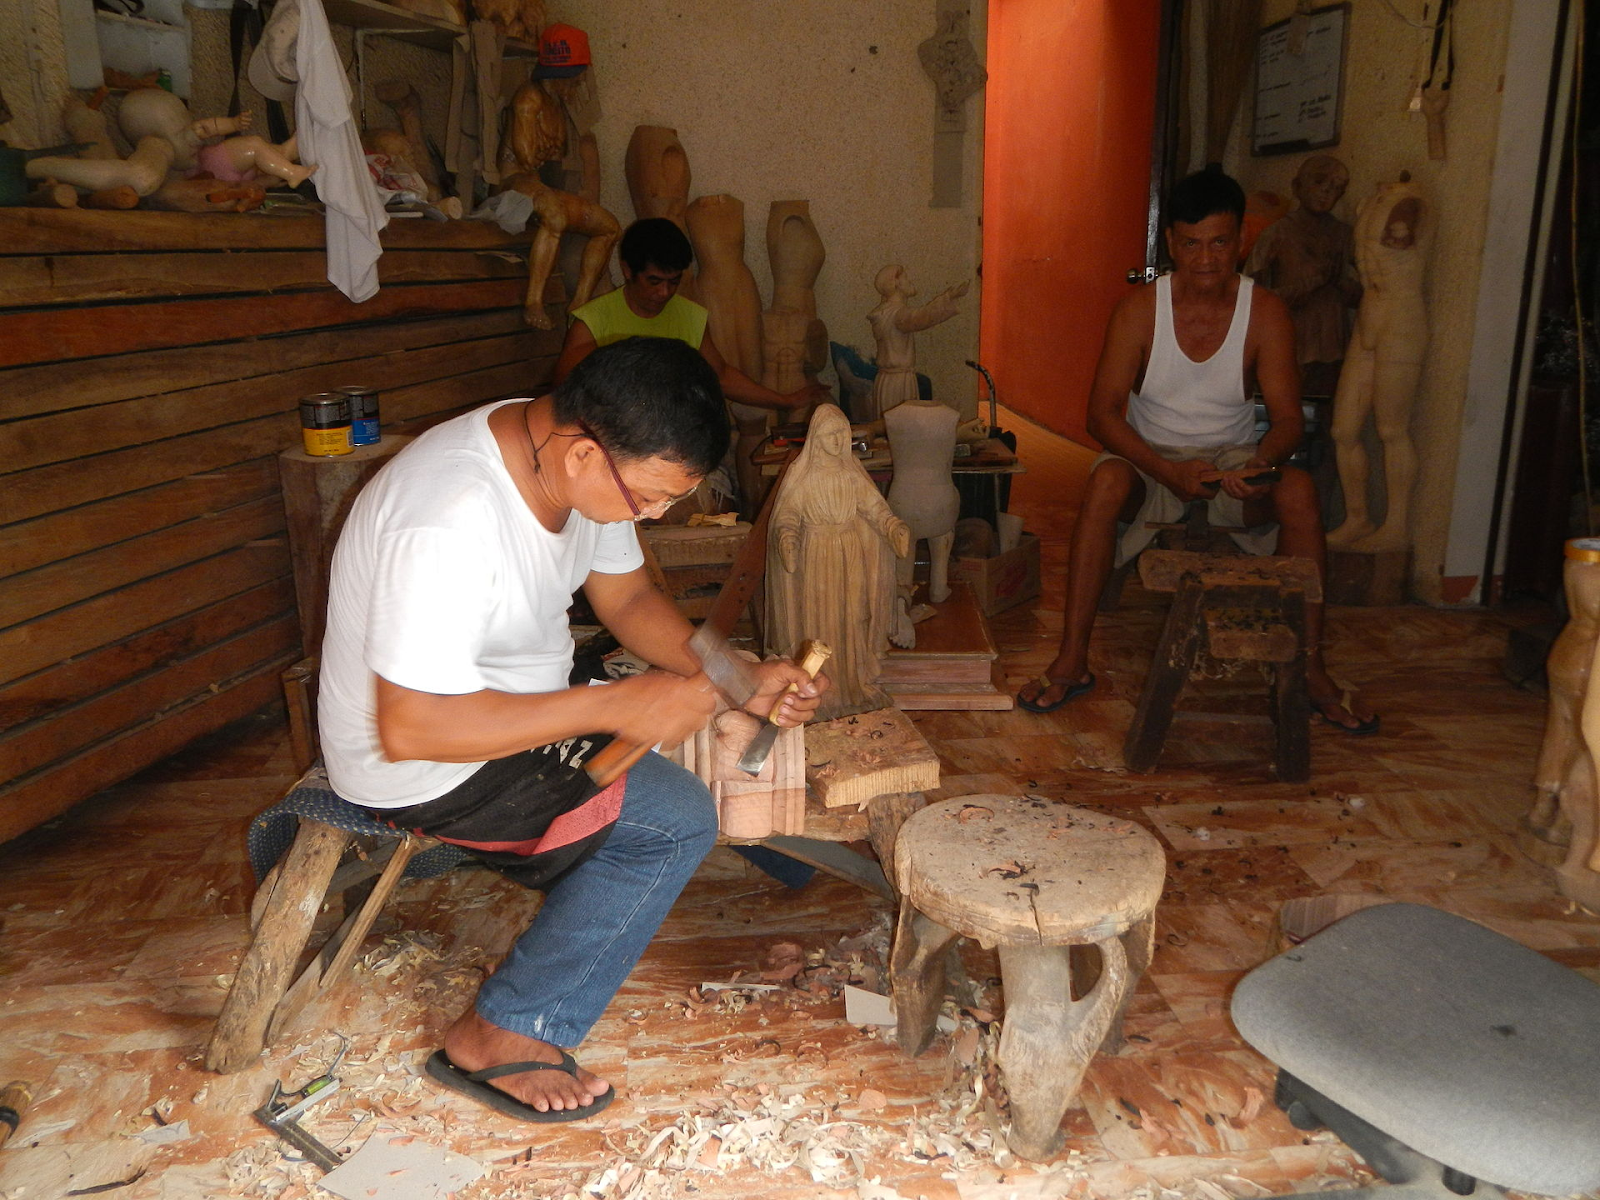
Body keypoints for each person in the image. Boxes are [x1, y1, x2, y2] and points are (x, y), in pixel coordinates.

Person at [318, 337, 827, 1122]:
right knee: (673, 823)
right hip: (421, 760)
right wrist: (619, 706)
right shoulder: (448, 517)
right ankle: (498, 1033)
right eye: (648, 498)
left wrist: (739, 678)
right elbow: (412, 727)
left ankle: (597, 863)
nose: (654, 515)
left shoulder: (569, 452)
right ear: (585, 452)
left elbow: (628, 600)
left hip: (513, 711)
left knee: (684, 738)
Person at [1018, 167, 1377, 734]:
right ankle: (1071, 659)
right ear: (1170, 242)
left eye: (1219, 242)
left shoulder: (1265, 312)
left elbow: (1287, 420)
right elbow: (1101, 415)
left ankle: (1311, 669)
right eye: (1191, 244)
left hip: (1232, 458)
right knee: (1105, 483)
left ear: (1241, 241)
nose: (1206, 258)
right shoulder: (1140, 310)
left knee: (1299, 492)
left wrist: (1261, 463)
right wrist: (1167, 470)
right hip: (1149, 458)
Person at [554, 218, 829, 415]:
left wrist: (785, 400)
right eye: (654, 281)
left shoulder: (689, 316)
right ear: (627, 271)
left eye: (673, 282)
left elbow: (720, 375)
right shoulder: (591, 321)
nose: (664, 292)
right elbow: (564, 392)